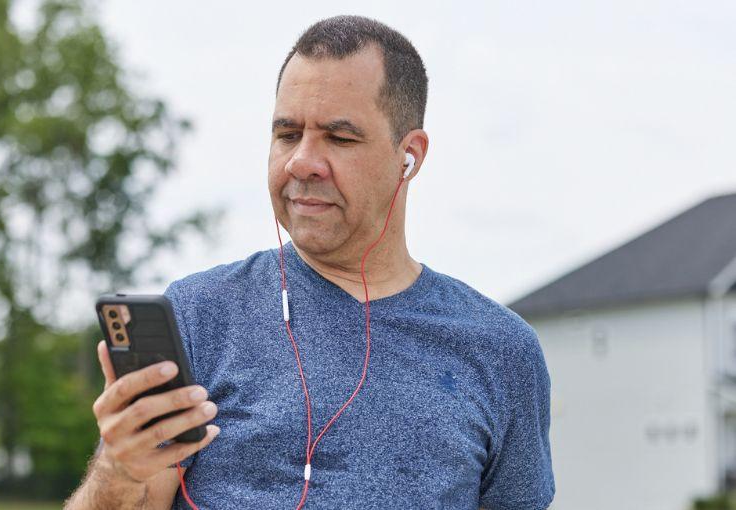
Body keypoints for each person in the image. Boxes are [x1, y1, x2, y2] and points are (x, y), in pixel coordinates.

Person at [64, 15, 555, 510]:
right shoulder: (198, 315)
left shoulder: (501, 352)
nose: (302, 161)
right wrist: (118, 472)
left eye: (339, 138)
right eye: (287, 133)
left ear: (409, 156)